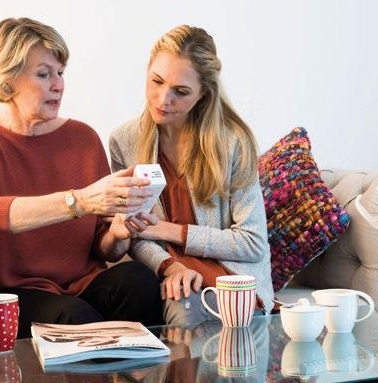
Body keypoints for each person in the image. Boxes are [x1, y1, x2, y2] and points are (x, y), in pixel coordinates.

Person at [0, 17, 163, 338]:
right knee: (73, 316)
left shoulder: (83, 138)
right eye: (43, 74)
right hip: (12, 292)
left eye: (60, 73)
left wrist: (119, 234)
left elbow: (105, 248)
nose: (58, 84)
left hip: (82, 284)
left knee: (138, 281)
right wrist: (80, 200)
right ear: (7, 80)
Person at [109, 25, 274, 325]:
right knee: (181, 306)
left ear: (203, 94)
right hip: (172, 275)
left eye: (181, 92)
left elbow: (252, 243)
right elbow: (131, 233)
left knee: (187, 312)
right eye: (156, 81)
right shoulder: (124, 141)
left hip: (231, 280)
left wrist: (168, 230)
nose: (162, 99)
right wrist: (170, 266)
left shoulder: (233, 142)